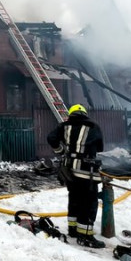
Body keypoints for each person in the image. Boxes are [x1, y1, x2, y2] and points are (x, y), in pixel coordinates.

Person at [47, 104, 106, 249]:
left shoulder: (64, 126)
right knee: (88, 202)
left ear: (71, 114)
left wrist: (61, 151)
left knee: (74, 198)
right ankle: (85, 236)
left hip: (69, 171)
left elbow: (51, 138)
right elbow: (99, 147)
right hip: (86, 172)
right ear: (85, 114)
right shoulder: (93, 127)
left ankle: (73, 229)